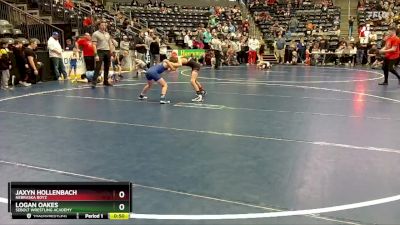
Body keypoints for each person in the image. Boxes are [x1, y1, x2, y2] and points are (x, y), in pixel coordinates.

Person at [92, 21, 114, 88]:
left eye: (104, 25)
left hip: (107, 51)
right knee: (98, 67)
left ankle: (105, 81)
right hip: (100, 51)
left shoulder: (107, 34)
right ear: (99, 26)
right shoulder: (95, 34)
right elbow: (94, 45)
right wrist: (96, 54)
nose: (103, 26)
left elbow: (110, 43)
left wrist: (111, 53)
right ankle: (94, 82)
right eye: (102, 25)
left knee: (107, 67)